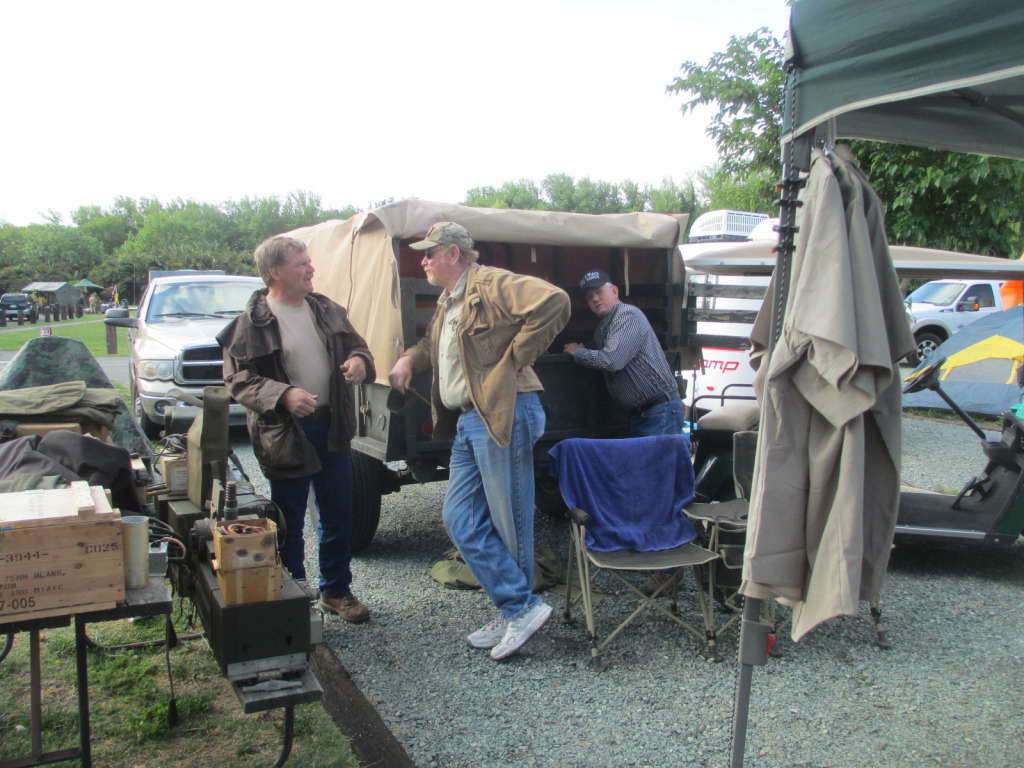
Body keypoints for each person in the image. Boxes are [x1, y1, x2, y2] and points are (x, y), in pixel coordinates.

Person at [388, 222, 570, 660]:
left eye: (430, 253)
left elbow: (555, 302)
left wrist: (514, 359)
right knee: (459, 518)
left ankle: (518, 610)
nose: (423, 261)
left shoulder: (489, 282)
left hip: (502, 411)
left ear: (453, 253)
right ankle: (517, 607)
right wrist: (410, 359)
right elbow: (433, 345)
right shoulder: (450, 300)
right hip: (470, 421)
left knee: (511, 519)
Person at [218, 236, 375, 623]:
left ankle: (335, 592)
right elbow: (237, 381)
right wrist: (283, 395)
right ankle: (294, 596)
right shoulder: (248, 325)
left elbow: (360, 348)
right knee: (287, 520)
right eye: (301, 263)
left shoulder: (325, 309)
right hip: (285, 433)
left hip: (331, 426)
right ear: (274, 272)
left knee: (338, 514)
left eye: (309, 261)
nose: (311, 269)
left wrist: (358, 361)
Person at [563, 270, 685, 437]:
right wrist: (583, 347)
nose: (595, 299)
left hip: (658, 411)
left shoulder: (627, 315)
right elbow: (597, 348)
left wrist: (578, 353)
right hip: (641, 415)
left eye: (599, 292)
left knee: (655, 463)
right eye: (589, 296)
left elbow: (611, 361)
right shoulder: (602, 329)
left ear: (614, 291)